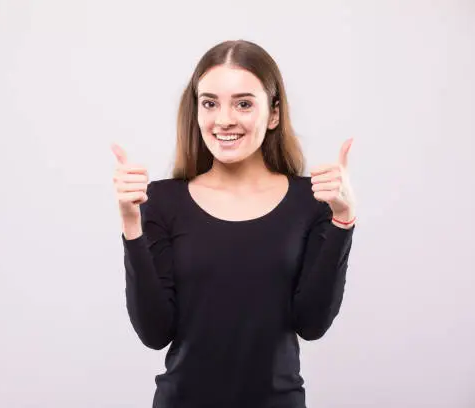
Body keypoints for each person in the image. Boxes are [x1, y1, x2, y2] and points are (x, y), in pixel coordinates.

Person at [111, 39, 356, 408]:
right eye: (210, 103)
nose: (224, 119)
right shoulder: (161, 201)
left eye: (243, 103)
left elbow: (312, 324)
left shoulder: (312, 202)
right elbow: (154, 332)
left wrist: (343, 220)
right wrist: (132, 225)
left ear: (273, 114)